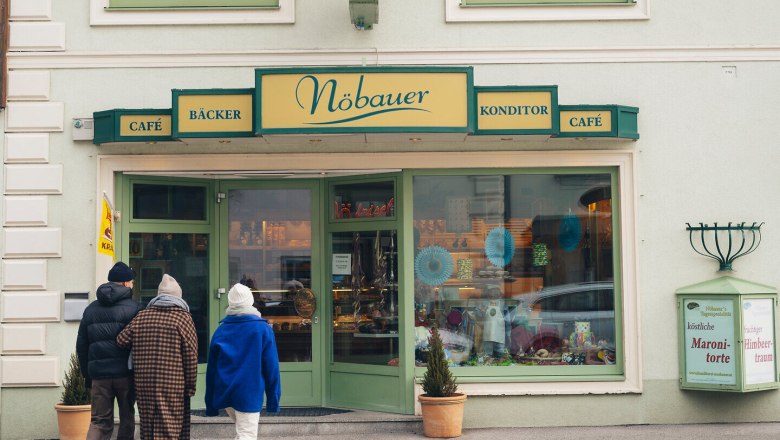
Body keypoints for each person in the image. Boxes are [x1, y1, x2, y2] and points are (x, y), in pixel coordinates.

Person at [117, 274, 198, 440]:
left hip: (144, 383)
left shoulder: (142, 316)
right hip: (172, 383)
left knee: (148, 428)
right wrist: (190, 387)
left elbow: (121, 340)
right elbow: (191, 355)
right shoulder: (183, 318)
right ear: (178, 297)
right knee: (169, 428)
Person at [76, 261, 143, 440]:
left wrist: (88, 375)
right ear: (126, 283)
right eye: (131, 281)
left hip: (99, 376)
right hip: (125, 375)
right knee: (127, 418)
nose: (132, 284)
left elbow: (81, 345)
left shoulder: (91, 309)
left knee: (99, 421)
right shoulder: (135, 308)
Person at [205, 283, 281, 440]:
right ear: (250, 301)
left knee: (242, 433)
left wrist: (210, 405)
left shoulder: (221, 330)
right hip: (249, 393)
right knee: (246, 435)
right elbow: (271, 367)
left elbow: (211, 370)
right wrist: (273, 400)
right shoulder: (262, 329)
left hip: (226, 392)